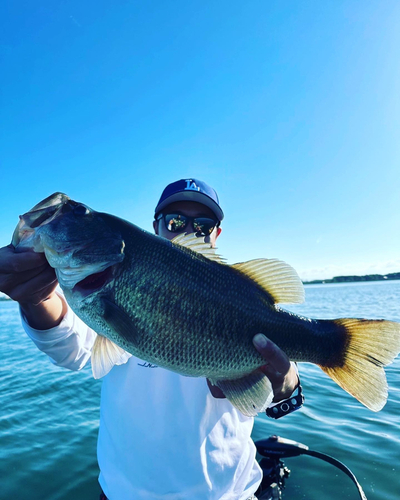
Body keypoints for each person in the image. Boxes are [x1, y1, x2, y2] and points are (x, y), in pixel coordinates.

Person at [0, 178, 300, 500]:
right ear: (155, 227)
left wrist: (285, 383)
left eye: (203, 225)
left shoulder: (241, 297)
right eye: (174, 221)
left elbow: (285, 383)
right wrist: (37, 299)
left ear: (217, 233)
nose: (188, 231)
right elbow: (72, 347)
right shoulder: (109, 284)